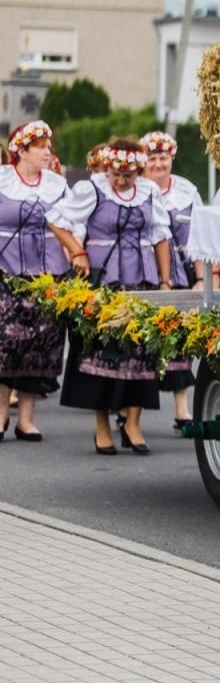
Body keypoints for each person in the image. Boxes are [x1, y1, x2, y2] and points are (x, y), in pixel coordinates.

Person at [47, 137, 173, 456]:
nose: (120, 180)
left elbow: (161, 236)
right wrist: (77, 251)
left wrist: (166, 281)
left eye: (128, 175)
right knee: (101, 352)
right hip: (103, 282)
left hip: (140, 281)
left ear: (138, 171)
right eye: (116, 173)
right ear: (108, 168)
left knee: (140, 351)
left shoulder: (148, 192)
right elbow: (56, 220)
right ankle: (102, 426)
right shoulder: (93, 190)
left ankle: (132, 423)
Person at [0, 121, 71, 442]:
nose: (48, 152)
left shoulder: (57, 185)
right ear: (22, 151)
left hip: (48, 275)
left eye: (49, 147)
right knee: (6, 343)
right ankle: (1, 414)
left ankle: (26, 420)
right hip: (7, 271)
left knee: (40, 346)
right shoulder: (3, 180)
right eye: (41, 147)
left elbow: (73, 222)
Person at [140, 131, 201, 427]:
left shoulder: (187, 191)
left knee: (179, 338)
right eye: (151, 158)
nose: (158, 164)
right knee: (142, 338)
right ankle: (129, 406)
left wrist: (202, 278)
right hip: (142, 269)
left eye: (163, 157)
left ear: (171, 159)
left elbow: (200, 237)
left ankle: (181, 409)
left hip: (181, 272)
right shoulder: (136, 189)